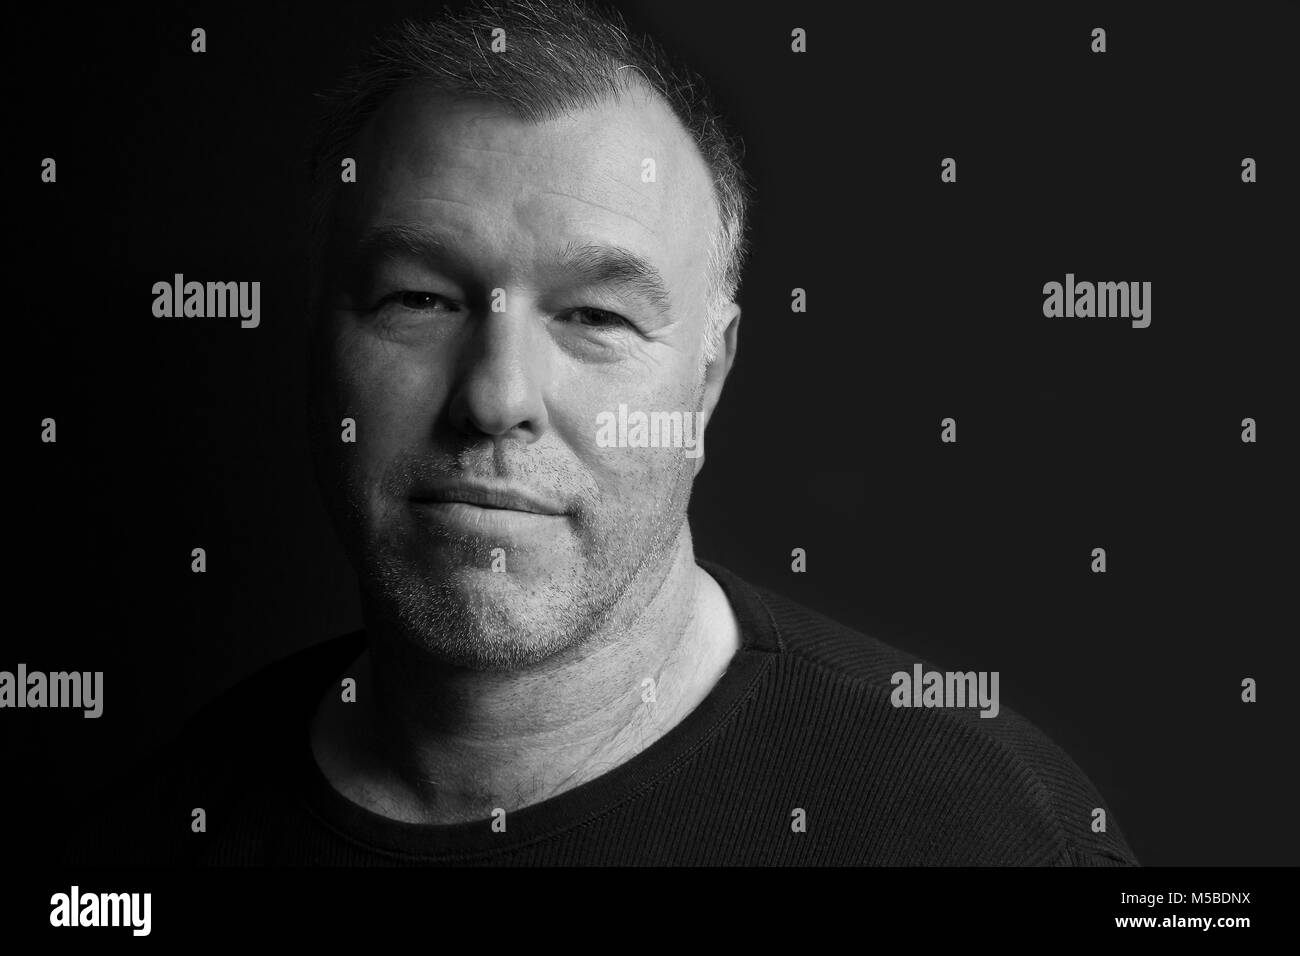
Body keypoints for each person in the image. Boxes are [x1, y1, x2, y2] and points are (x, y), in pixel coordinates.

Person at [68, 0, 1137, 866]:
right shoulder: (133, 858)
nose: (495, 397)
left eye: (594, 316)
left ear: (708, 377)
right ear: (319, 343)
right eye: (418, 299)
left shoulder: (980, 831)